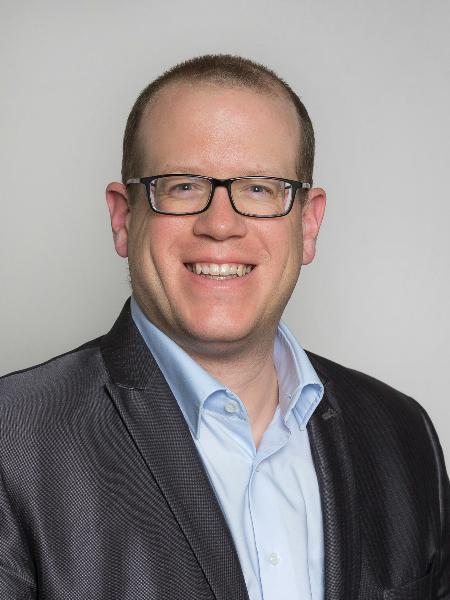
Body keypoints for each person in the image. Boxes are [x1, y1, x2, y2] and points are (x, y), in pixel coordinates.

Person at [0, 54, 448, 600]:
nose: (220, 225)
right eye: (182, 186)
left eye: (260, 189)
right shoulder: (13, 441)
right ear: (123, 217)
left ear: (308, 224)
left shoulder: (402, 434)